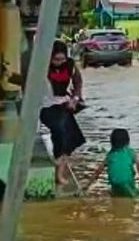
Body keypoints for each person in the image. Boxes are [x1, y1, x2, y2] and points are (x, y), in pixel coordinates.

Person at [40, 40, 86, 185]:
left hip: (64, 104)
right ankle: (58, 165)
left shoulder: (70, 66)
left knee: (72, 138)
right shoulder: (42, 67)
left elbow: (78, 82)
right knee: (59, 131)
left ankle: (60, 172)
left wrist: (75, 98)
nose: (59, 62)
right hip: (46, 106)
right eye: (55, 59)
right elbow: (27, 81)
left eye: (62, 59)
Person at [86, 129, 139, 198]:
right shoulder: (130, 152)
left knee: (115, 194)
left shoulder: (110, 155)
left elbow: (98, 171)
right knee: (137, 195)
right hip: (128, 182)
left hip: (114, 182)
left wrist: (88, 184)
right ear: (127, 141)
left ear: (112, 142)